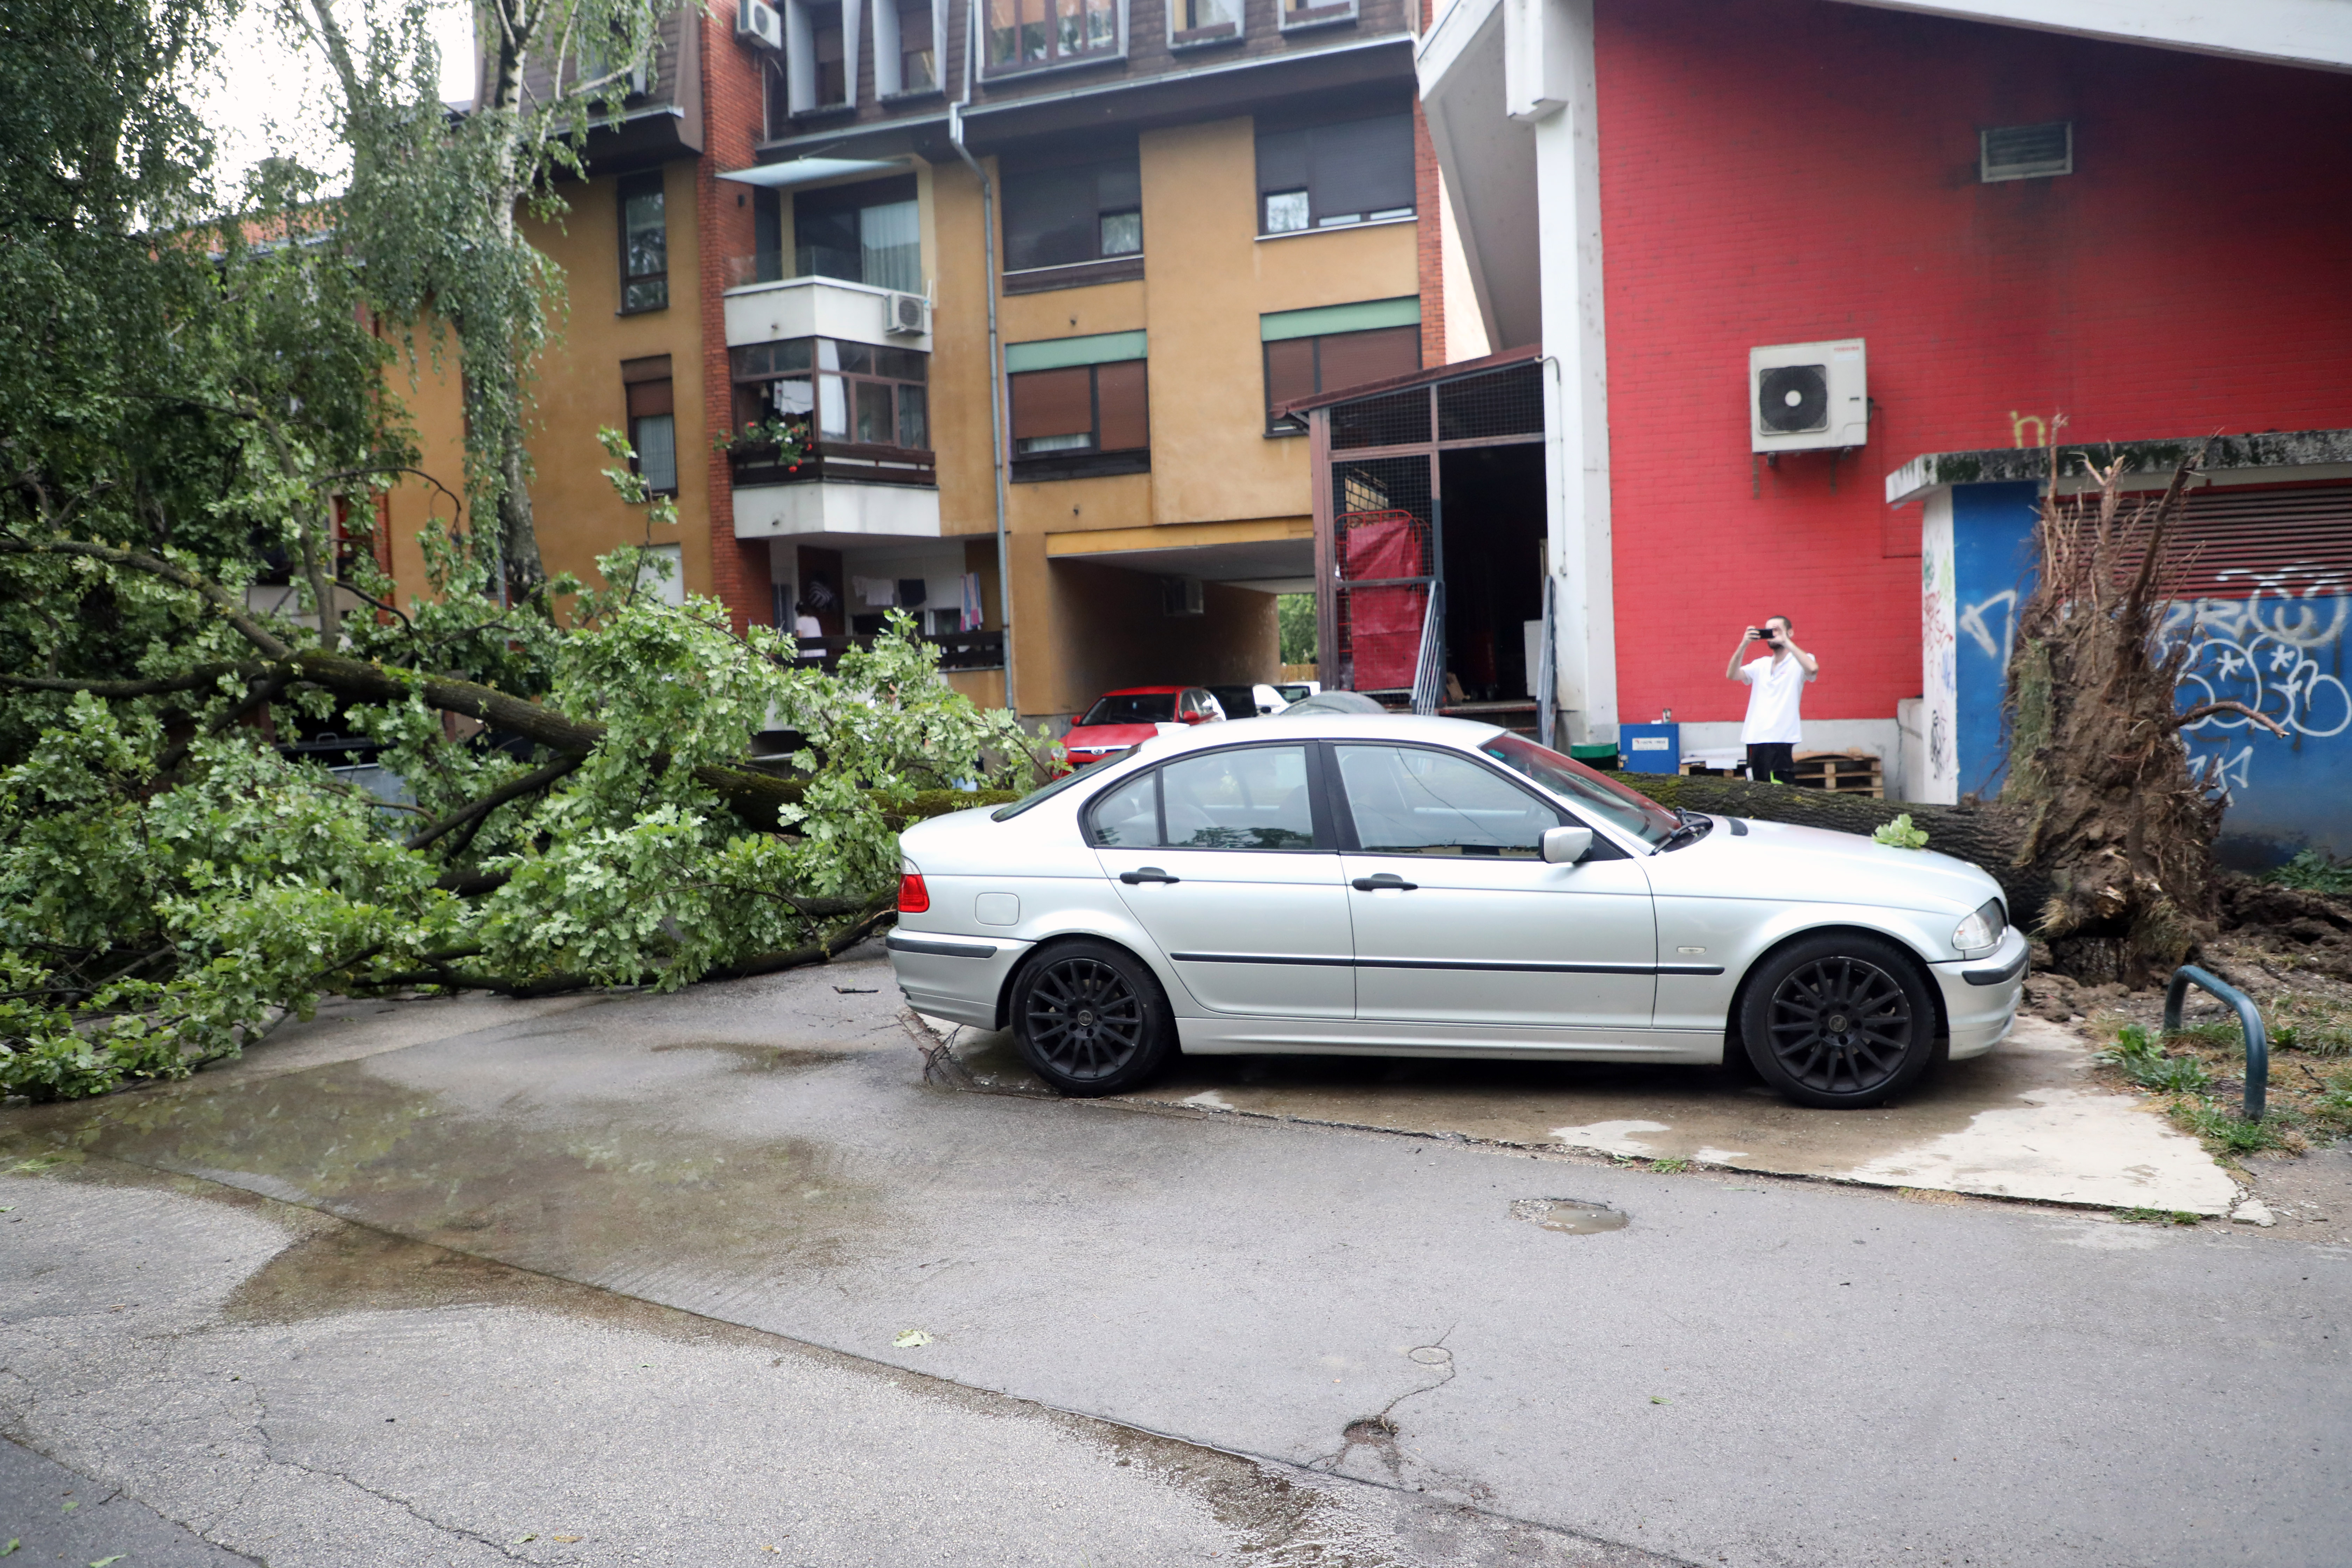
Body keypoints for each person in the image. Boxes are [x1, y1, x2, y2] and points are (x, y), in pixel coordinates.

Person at [1725, 615, 1818, 784]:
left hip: (1781, 737)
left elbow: (1813, 669)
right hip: (1755, 737)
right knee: (1756, 788)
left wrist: (1786, 642)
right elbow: (1732, 675)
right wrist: (1744, 644)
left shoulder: (1799, 661)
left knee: (1781, 787)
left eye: (1777, 630)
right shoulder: (1761, 664)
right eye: (1769, 630)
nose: (1773, 634)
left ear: (1790, 632)